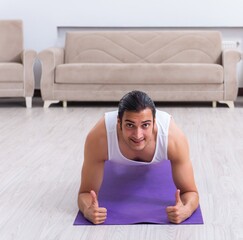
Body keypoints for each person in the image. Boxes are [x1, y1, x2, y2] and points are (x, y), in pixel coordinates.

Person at [78, 90, 199, 224]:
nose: (138, 135)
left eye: (145, 125)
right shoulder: (99, 138)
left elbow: (191, 191)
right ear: (119, 123)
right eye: (130, 125)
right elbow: (85, 193)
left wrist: (186, 210)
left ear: (154, 122)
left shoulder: (173, 138)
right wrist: (87, 210)